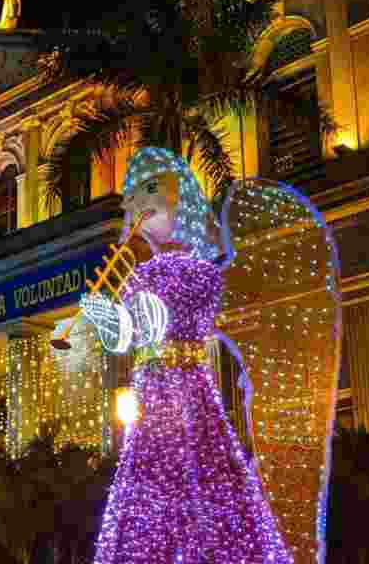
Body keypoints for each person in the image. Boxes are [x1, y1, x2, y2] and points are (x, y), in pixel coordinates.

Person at [77, 147, 293, 564]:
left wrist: (147, 316)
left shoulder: (201, 272)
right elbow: (129, 335)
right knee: (145, 480)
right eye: (136, 198)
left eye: (152, 193)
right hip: (152, 392)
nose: (140, 205)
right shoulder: (136, 273)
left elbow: (177, 317)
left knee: (200, 469)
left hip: (187, 383)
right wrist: (105, 316)